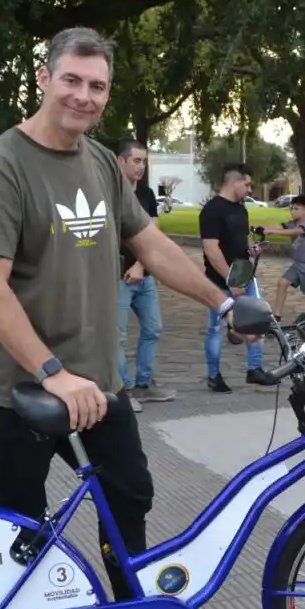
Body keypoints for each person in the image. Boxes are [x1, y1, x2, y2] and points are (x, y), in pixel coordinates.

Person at [0, 26, 252, 609]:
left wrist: (224, 303)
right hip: (20, 387)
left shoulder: (98, 164)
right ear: (43, 78)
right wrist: (53, 373)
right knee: (19, 515)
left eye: (97, 86)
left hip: (97, 381)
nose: (84, 96)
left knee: (129, 494)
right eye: (72, 80)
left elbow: (151, 246)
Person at [200, 163, 277, 393]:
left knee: (260, 319)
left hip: (245, 276)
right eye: (247, 184)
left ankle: (255, 369)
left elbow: (240, 242)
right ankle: (214, 376)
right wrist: (230, 280)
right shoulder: (212, 210)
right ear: (234, 182)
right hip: (219, 280)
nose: (250, 189)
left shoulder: (241, 209)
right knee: (216, 328)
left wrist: (251, 250)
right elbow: (211, 250)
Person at [114, 138, 176, 412]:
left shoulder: (147, 194)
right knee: (118, 336)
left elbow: (153, 233)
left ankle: (143, 383)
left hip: (144, 274)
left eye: (144, 161)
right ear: (121, 162)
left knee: (153, 328)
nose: (141, 166)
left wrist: (141, 264)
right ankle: (123, 389)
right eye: (136, 160)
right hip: (117, 277)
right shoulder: (108, 194)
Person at [258, 194, 305, 321]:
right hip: (299, 265)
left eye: (296, 209)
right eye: (291, 208)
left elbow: (295, 232)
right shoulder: (292, 223)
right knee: (282, 283)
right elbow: (280, 227)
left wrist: (273, 232)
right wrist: (262, 229)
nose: (293, 211)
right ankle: (276, 317)